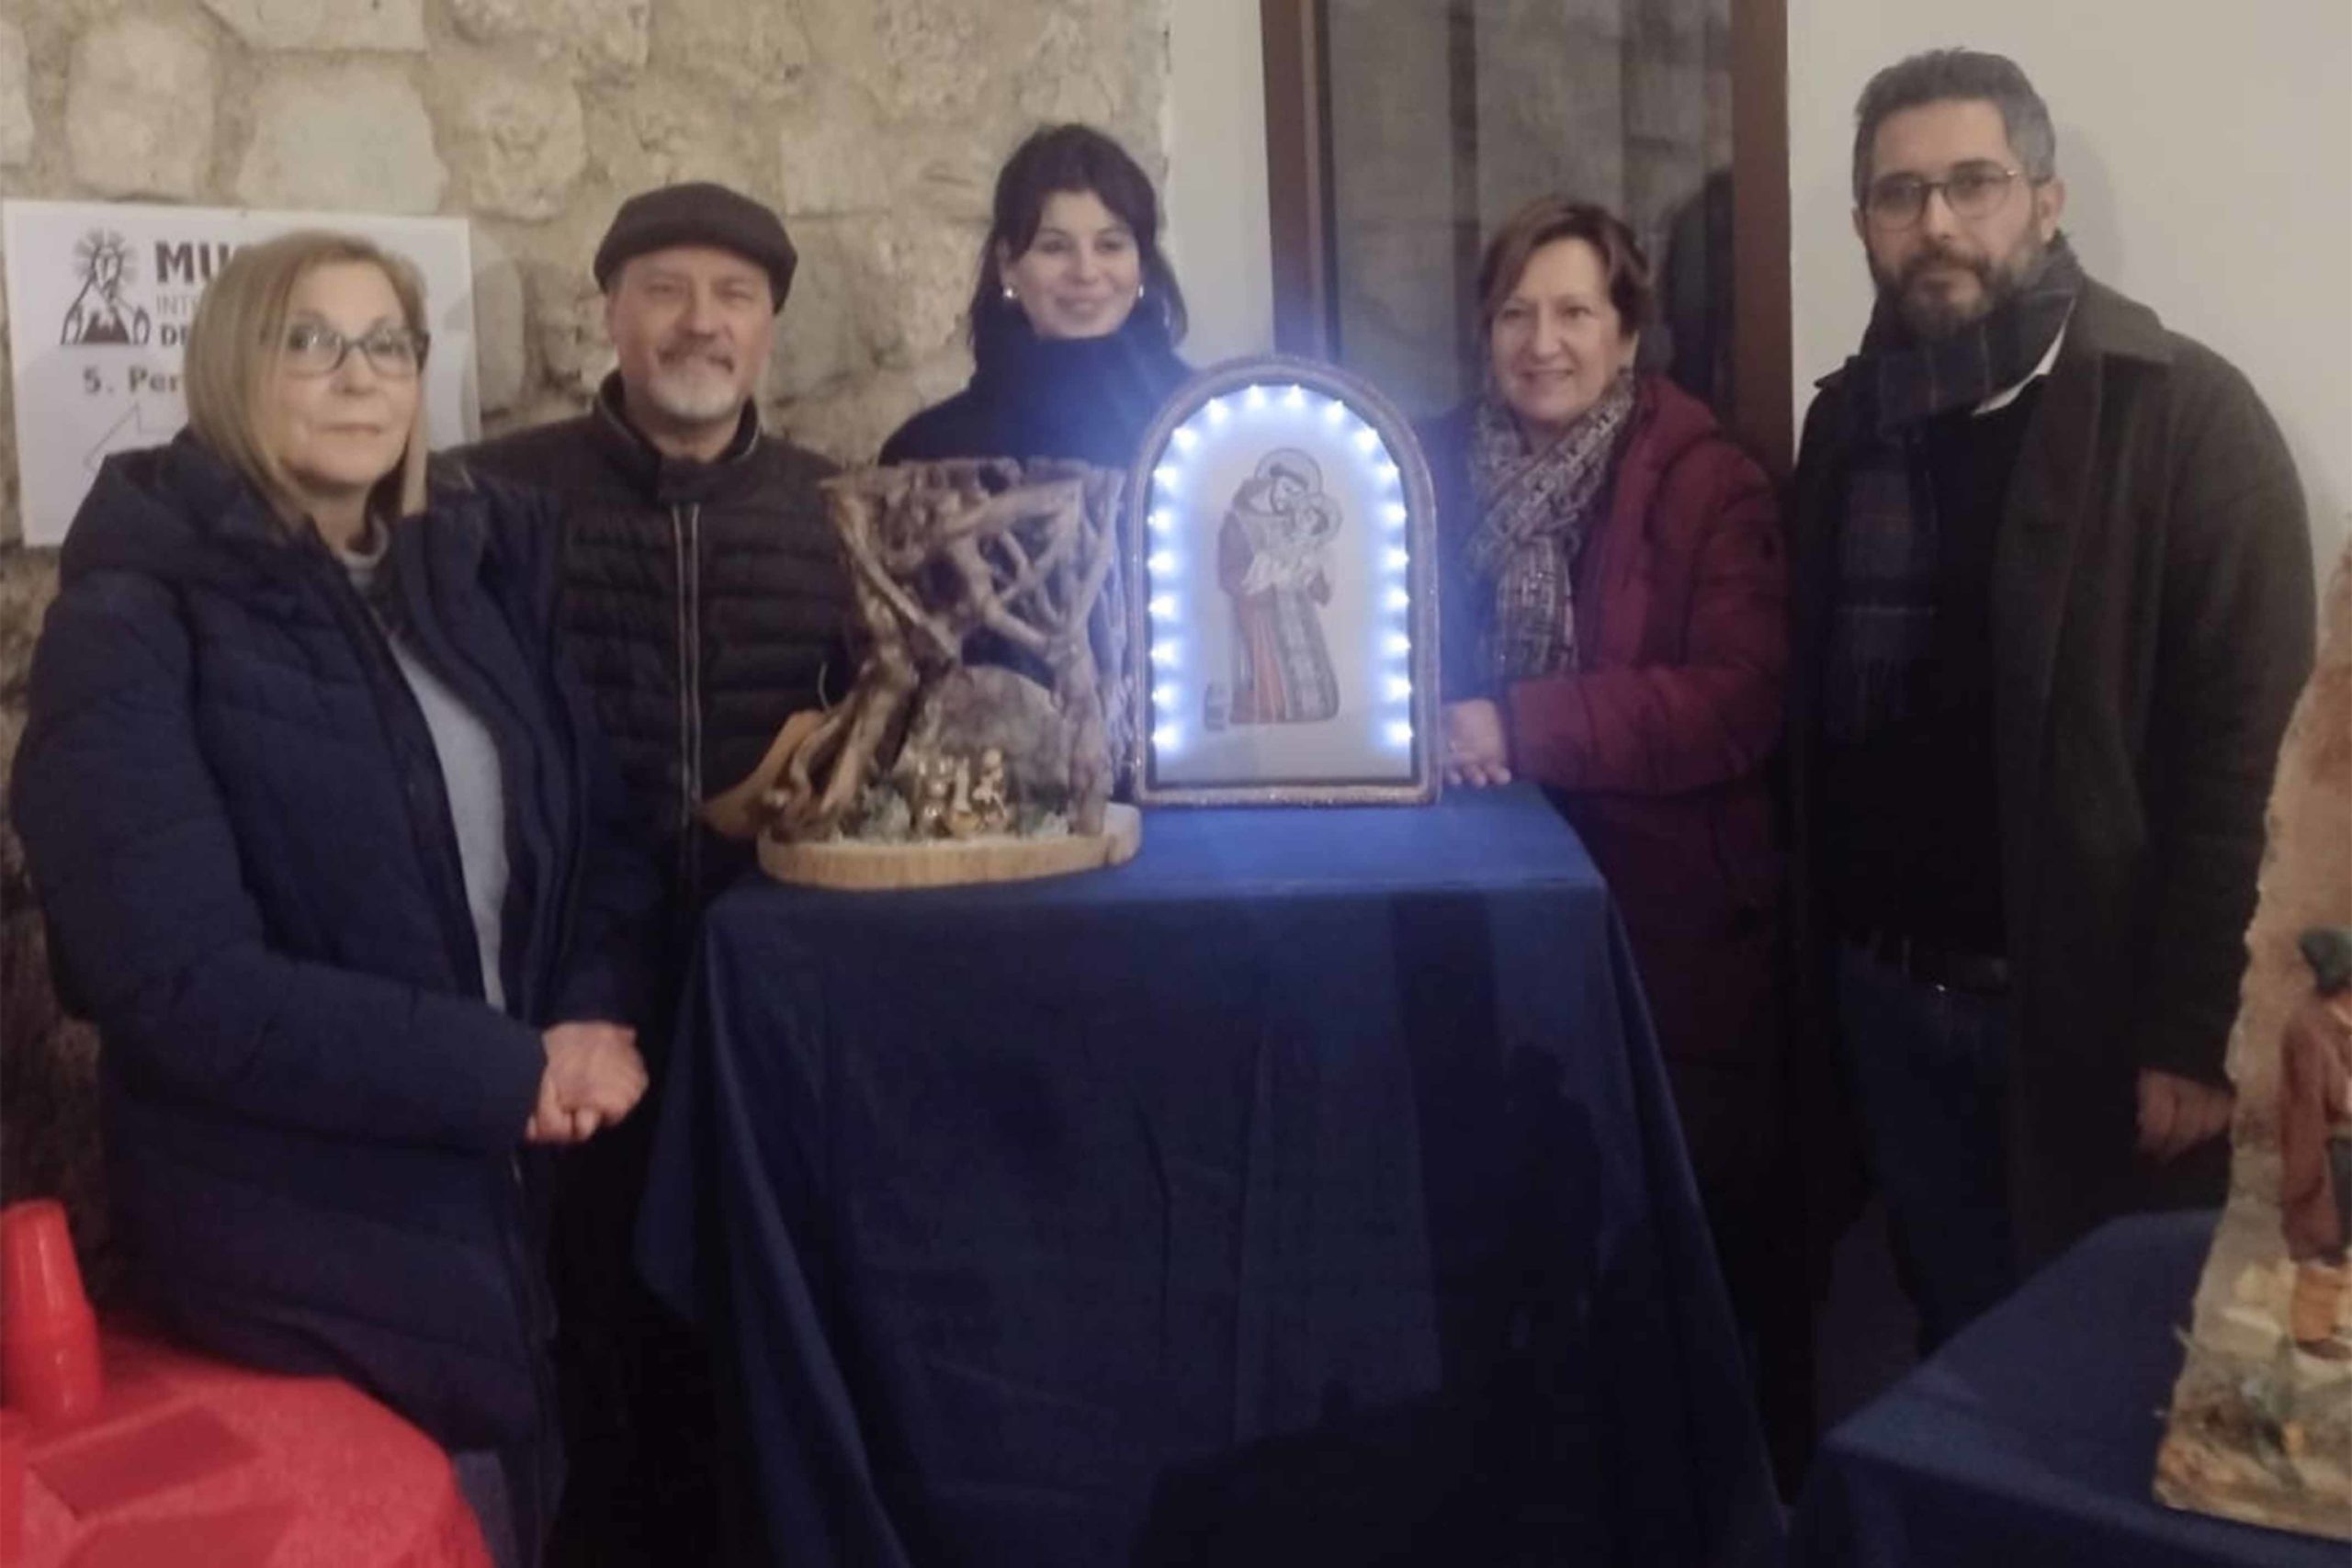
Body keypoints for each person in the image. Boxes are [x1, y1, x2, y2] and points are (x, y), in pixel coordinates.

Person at [12, 231, 658, 1568]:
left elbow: (595, 837)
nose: (359, 376)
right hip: (301, 1274)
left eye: (388, 343)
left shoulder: (466, 584)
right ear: (230, 364)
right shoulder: (128, 623)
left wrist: (594, 1016)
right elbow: (177, 985)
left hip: (510, 1237)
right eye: (310, 340)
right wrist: (505, 1072)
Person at [1787, 49, 2315, 1350]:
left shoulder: (2185, 421)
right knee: (1948, 1346)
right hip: (1887, 1000)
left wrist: (2194, 1033)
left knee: (2092, 1377)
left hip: (2088, 1025)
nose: (1936, 223)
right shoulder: (1849, 425)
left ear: (2045, 198)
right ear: (1862, 223)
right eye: (1899, 194)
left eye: (1972, 182)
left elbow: (2249, 760)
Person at [461, 179, 847, 1563]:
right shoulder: (493, 499)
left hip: (770, 996)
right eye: (666, 289)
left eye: (734, 296)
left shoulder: (836, 509)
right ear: (608, 312)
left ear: (770, 327)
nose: (701, 322)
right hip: (563, 992)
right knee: (580, 1319)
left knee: (749, 1317)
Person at [1428, 197, 1797, 1467]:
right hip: (1475, 928)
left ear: (1629, 333)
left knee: (1661, 1295)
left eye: (1576, 311)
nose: (1543, 342)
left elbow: (1736, 700)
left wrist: (1515, 726)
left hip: (1663, 952)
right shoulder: (1420, 465)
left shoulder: (1708, 480)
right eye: (1515, 313)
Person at [879, 122, 1192, 471]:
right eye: (1054, 247)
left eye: (1110, 245)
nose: (1086, 272)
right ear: (1007, 265)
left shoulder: (1209, 423)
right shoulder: (925, 453)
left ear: (1142, 263)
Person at [1215, 449, 1341, 728]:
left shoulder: (1295, 521)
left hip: (1298, 609)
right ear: (1271, 482)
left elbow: (1309, 570)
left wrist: (1315, 571)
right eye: (1287, 489)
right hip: (1258, 607)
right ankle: (1267, 706)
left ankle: (1310, 707)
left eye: (1298, 495)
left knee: (1313, 680)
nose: (1289, 499)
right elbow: (1229, 573)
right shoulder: (1238, 521)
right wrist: (1264, 574)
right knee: (1272, 685)